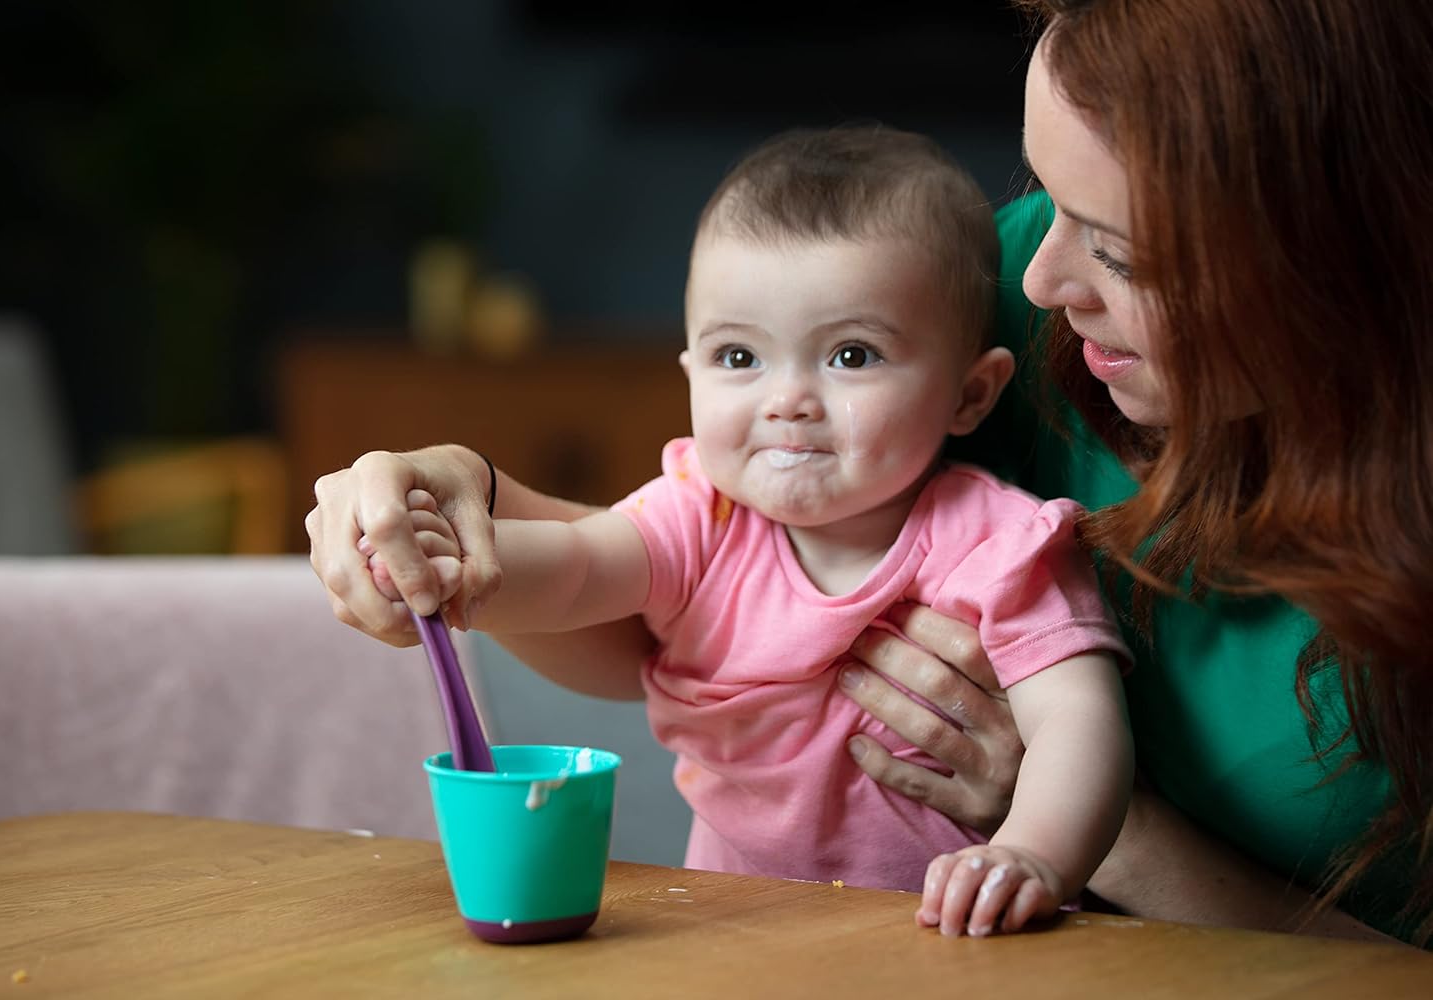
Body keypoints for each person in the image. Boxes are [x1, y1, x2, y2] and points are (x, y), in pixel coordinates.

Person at [307, 0, 1433, 946]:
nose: (1038, 278)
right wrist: (464, 511)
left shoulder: (986, 518)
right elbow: (642, 592)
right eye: (1044, 196)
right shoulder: (986, 292)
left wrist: (1064, 829)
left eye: (1124, 251)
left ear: (1332, 256)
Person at [362, 126, 1133, 937]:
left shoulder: (993, 542)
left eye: (851, 355)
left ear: (971, 394)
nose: (787, 399)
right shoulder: (703, 512)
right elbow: (580, 569)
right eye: (739, 358)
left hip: (953, 946)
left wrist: (1031, 855)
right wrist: (449, 561)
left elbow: (1077, 722)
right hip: (734, 941)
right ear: (691, 372)